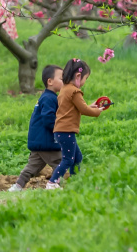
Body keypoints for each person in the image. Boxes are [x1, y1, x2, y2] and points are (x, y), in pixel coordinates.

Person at [46, 58, 107, 190]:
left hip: (60, 131)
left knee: (77, 157)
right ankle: (52, 183)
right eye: (85, 78)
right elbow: (84, 109)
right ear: (78, 76)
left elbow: (77, 107)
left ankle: (76, 182)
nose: (84, 82)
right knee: (68, 159)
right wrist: (97, 111)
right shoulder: (74, 91)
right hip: (66, 131)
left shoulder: (64, 89)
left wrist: (92, 106)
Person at [7, 63, 65, 192]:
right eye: (62, 79)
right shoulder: (50, 98)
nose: (65, 81)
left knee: (32, 167)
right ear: (50, 81)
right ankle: (53, 185)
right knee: (61, 162)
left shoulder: (46, 97)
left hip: (38, 141)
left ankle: (17, 186)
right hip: (46, 142)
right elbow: (48, 119)